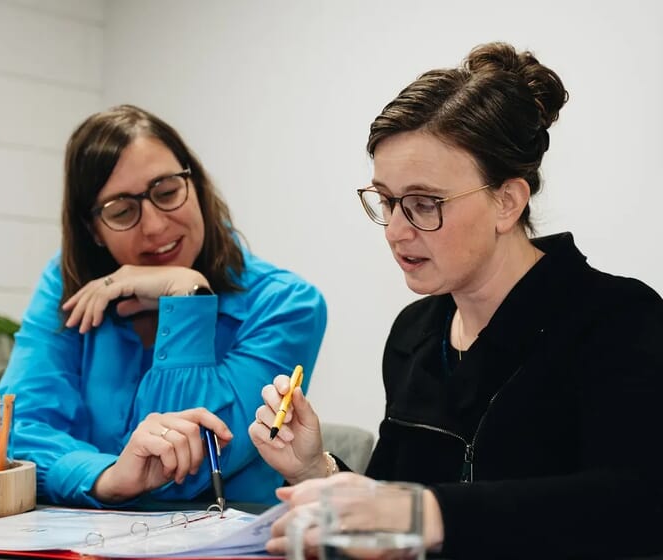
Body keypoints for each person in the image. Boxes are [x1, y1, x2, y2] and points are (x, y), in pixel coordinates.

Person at [250, 42, 663, 558]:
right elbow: (394, 509)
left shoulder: (618, 320)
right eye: (386, 202)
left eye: (424, 204)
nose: (397, 231)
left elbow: (636, 506)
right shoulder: (414, 334)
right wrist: (318, 469)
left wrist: (429, 515)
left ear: (507, 202)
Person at [0, 104, 327, 508]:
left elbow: (191, 469)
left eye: (167, 192)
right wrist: (106, 476)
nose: (154, 226)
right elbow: (13, 432)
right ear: (93, 231)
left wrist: (184, 291)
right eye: (121, 211)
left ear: (197, 186)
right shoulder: (72, 285)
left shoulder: (286, 305)